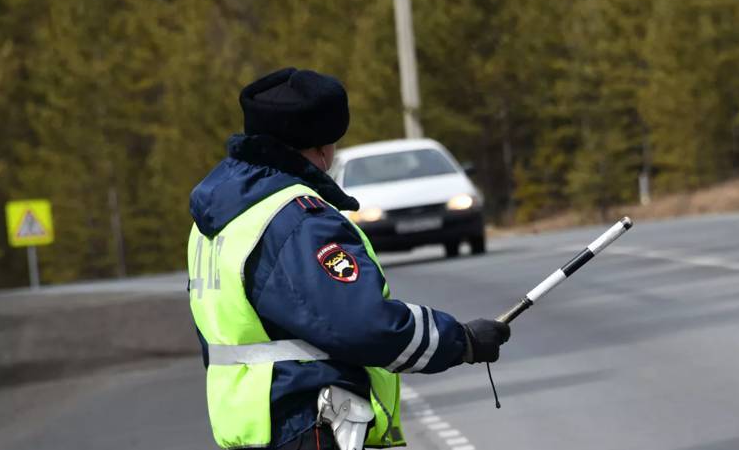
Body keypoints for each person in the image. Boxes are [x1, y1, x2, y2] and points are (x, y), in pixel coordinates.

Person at [187, 67, 510, 450]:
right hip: (306, 422)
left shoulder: (221, 217)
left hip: (248, 425)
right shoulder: (298, 219)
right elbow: (365, 324)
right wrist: (462, 341)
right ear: (322, 147)